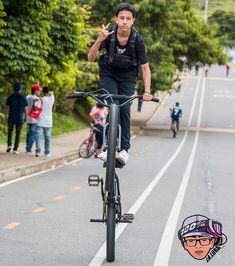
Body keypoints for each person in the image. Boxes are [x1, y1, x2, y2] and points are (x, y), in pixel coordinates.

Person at [88, 3, 153, 166]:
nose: (124, 21)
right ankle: (108, 147)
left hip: (128, 77)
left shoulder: (137, 40)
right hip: (108, 74)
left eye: (128, 18)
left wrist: (147, 91)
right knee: (112, 104)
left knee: (124, 109)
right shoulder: (108, 36)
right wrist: (99, 40)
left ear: (133, 21)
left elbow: (145, 68)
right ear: (116, 19)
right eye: (121, 18)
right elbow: (90, 57)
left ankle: (124, 150)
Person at [5, 82, 28, 154]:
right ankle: (15, 149)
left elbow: (7, 108)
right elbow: (25, 110)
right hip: (19, 118)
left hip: (11, 118)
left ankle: (9, 145)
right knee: (18, 133)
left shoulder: (10, 97)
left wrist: (6, 117)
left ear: (13, 88)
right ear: (20, 89)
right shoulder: (23, 98)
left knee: (10, 131)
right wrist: (25, 118)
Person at [35, 86, 54, 157]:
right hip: (48, 122)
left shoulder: (41, 100)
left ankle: (38, 151)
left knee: (38, 137)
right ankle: (47, 152)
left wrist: (37, 101)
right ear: (48, 92)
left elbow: (36, 108)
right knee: (48, 138)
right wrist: (51, 93)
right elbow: (52, 94)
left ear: (43, 92)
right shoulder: (51, 99)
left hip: (40, 121)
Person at [25, 84, 41, 154]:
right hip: (34, 119)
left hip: (28, 118)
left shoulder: (27, 97)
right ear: (35, 91)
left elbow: (25, 106)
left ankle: (27, 147)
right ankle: (29, 149)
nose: (39, 92)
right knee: (32, 134)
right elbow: (36, 109)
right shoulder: (37, 99)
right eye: (38, 90)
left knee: (28, 134)